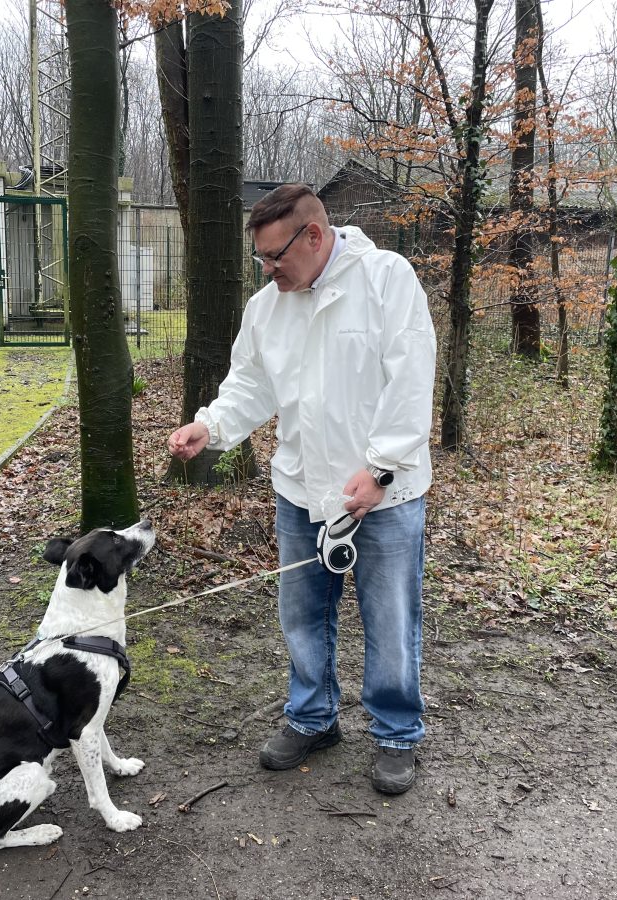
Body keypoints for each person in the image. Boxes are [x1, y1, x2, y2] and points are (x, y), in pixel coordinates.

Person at [167, 183, 436, 795]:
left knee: (390, 618)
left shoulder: (387, 280)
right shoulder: (268, 308)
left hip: (383, 496)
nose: (267, 269)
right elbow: (250, 386)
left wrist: (383, 468)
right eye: (259, 258)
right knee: (301, 616)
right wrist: (209, 426)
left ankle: (395, 733)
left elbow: (412, 378)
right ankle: (313, 718)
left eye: (274, 256)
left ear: (314, 236)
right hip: (299, 489)